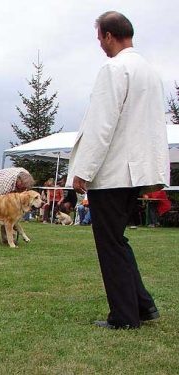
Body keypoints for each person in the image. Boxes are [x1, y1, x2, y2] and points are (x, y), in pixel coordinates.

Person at [68, 11, 168, 329]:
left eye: (100, 38)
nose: (100, 44)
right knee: (118, 240)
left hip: (113, 174)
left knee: (110, 244)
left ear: (109, 36)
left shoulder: (114, 69)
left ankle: (125, 318)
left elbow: (101, 125)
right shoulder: (150, 72)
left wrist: (83, 170)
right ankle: (143, 305)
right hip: (136, 172)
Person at [0, 167, 34, 246]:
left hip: (2, 185)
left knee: (11, 215)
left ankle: (7, 240)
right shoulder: (6, 184)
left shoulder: (26, 177)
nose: (23, 189)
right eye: (22, 186)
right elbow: (1, 204)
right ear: (18, 181)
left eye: (25, 187)